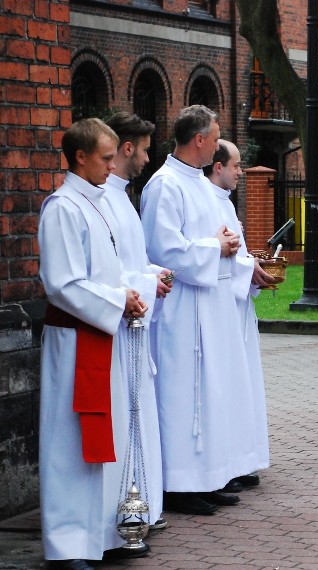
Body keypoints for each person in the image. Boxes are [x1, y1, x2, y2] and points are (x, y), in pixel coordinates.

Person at [38, 118, 148, 570]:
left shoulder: (95, 204)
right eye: (105, 158)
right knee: (70, 444)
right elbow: (62, 284)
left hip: (102, 334)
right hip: (75, 341)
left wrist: (128, 290)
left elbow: (104, 270)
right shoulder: (63, 208)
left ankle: (99, 535)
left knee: (105, 439)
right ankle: (66, 545)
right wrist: (117, 299)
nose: (112, 166)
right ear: (80, 157)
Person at [141, 105, 257, 515]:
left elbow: (208, 238)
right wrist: (216, 246)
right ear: (199, 140)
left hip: (210, 305)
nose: (219, 140)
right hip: (183, 310)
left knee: (210, 394)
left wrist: (223, 242)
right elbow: (163, 249)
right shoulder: (165, 185)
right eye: (216, 133)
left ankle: (207, 477)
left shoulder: (199, 185)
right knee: (183, 394)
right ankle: (179, 484)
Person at [102, 111, 172, 533]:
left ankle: (143, 502)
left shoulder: (122, 196)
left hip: (134, 320)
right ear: (127, 148)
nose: (148, 158)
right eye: (145, 149)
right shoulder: (105, 200)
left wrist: (152, 273)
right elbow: (109, 271)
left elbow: (132, 260)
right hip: (118, 322)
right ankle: (132, 505)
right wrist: (146, 282)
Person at [203, 139, 279, 490]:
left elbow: (237, 254)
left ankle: (243, 457)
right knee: (228, 384)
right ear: (218, 166)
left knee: (243, 382)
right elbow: (215, 255)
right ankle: (229, 462)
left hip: (237, 305)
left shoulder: (226, 203)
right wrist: (245, 268)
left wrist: (253, 267)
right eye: (235, 165)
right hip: (219, 307)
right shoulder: (207, 200)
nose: (239, 171)